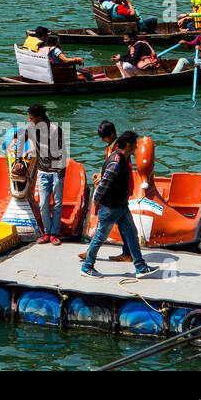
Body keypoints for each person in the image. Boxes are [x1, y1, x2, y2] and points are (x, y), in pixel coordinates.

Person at [80, 130, 157, 278]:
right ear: (128, 145)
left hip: (121, 207)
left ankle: (140, 267)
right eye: (134, 145)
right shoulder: (115, 162)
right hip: (110, 208)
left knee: (132, 235)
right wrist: (96, 203)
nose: (136, 148)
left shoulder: (123, 158)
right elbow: (102, 186)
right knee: (100, 237)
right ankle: (87, 267)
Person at [78, 120, 136, 263]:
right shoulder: (112, 146)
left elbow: (116, 168)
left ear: (111, 135)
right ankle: (128, 252)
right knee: (123, 224)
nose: (102, 140)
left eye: (104, 137)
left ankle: (90, 258)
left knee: (104, 226)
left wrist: (99, 189)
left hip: (116, 190)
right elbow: (109, 166)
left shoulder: (118, 148)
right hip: (117, 189)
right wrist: (100, 175)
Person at [26, 104, 68, 245]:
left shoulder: (56, 130)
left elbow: (62, 151)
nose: (29, 120)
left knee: (57, 204)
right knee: (43, 204)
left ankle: (54, 233)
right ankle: (47, 231)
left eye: (31, 118)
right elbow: (21, 136)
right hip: (42, 172)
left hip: (56, 172)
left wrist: (61, 172)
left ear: (40, 118)